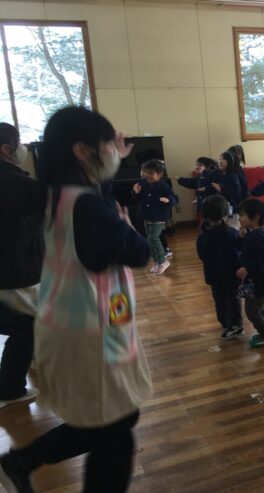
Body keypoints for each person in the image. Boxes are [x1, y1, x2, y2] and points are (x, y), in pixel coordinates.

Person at [0, 106, 152, 492]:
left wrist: (109, 176)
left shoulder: (60, 196)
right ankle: (19, 463)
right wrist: (126, 226)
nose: (115, 151)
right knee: (115, 431)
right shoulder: (88, 207)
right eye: (109, 144)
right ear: (83, 151)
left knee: (117, 421)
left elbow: (95, 202)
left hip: (74, 324)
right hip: (93, 332)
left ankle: (19, 463)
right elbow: (139, 253)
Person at [0, 122, 42, 409]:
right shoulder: (19, 184)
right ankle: (10, 388)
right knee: (26, 326)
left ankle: (32, 359)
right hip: (15, 270)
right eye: (19, 142)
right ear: (6, 149)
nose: (24, 148)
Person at [197, 195, 243, 340]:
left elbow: (202, 255)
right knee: (233, 299)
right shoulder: (232, 233)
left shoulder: (203, 236)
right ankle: (234, 324)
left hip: (214, 275)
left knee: (219, 299)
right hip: (232, 274)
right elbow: (240, 251)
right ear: (225, 212)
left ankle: (225, 323)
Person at [236, 199, 264, 348]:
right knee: (258, 306)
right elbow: (247, 251)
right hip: (256, 280)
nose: (239, 219)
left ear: (254, 217)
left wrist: (247, 268)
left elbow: (262, 258)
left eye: (242, 215)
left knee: (252, 310)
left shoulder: (257, 236)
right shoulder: (253, 233)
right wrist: (242, 237)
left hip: (258, 281)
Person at [132, 159, 177, 275]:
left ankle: (163, 261)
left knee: (153, 238)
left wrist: (168, 200)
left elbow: (174, 198)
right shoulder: (143, 183)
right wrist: (136, 192)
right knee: (150, 240)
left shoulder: (163, 185)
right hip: (147, 216)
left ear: (160, 174)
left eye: (151, 173)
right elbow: (139, 198)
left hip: (159, 217)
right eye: (146, 173)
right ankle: (157, 262)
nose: (148, 175)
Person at [177, 156, 217, 223]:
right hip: (203, 205)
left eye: (200, 165)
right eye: (197, 165)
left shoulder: (212, 175)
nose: (197, 167)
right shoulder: (200, 175)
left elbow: (214, 189)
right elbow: (192, 183)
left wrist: (205, 189)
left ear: (207, 166)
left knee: (211, 223)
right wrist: (179, 179)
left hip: (211, 206)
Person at [210, 151, 242, 229]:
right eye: (219, 159)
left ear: (229, 162)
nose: (220, 161)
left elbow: (236, 192)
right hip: (220, 209)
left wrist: (221, 188)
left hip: (232, 209)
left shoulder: (233, 176)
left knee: (233, 229)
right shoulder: (217, 174)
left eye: (223, 159)